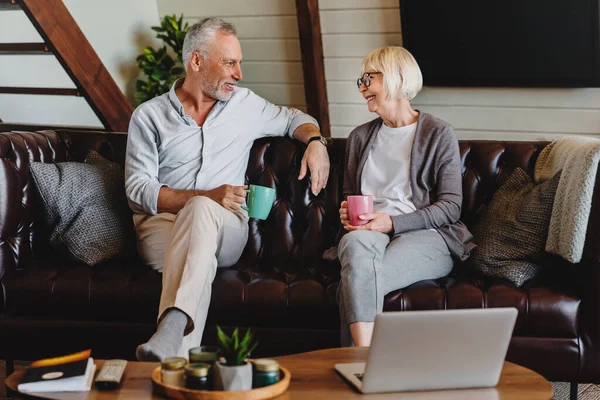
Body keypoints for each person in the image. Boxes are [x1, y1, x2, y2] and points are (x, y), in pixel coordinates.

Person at [125, 18, 330, 361]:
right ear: (196, 61)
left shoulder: (245, 105)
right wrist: (205, 196)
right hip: (162, 229)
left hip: (227, 230)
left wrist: (316, 141)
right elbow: (137, 190)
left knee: (203, 211)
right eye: (230, 62)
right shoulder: (149, 117)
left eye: (239, 63)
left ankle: (173, 326)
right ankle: (179, 359)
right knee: (198, 222)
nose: (239, 73)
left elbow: (295, 118)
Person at [336, 47, 475, 347]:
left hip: (427, 234)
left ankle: (357, 361)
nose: (362, 87)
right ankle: (365, 359)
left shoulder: (439, 133)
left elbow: (451, 207)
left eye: (368, 78)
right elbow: (350, 194)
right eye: (360, 80)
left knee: (356, 280)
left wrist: (392, 223)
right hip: (368, 231)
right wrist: (348, 212)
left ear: (396, 78)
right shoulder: (359, 137)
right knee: (354, 245)